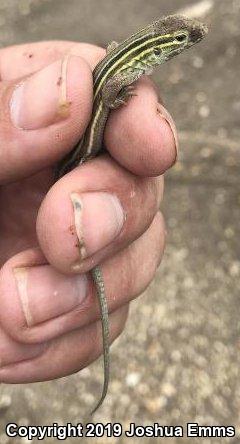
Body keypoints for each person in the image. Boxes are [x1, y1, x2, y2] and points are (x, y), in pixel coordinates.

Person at [0, 41, 177, 382]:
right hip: (79, 158)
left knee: (90, 213)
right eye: (179, 42)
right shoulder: (122, 71)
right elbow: (110, 89)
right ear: (154, 51)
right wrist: (116, 101)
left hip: (72, 162)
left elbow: (112, 58)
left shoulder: (123, 60)